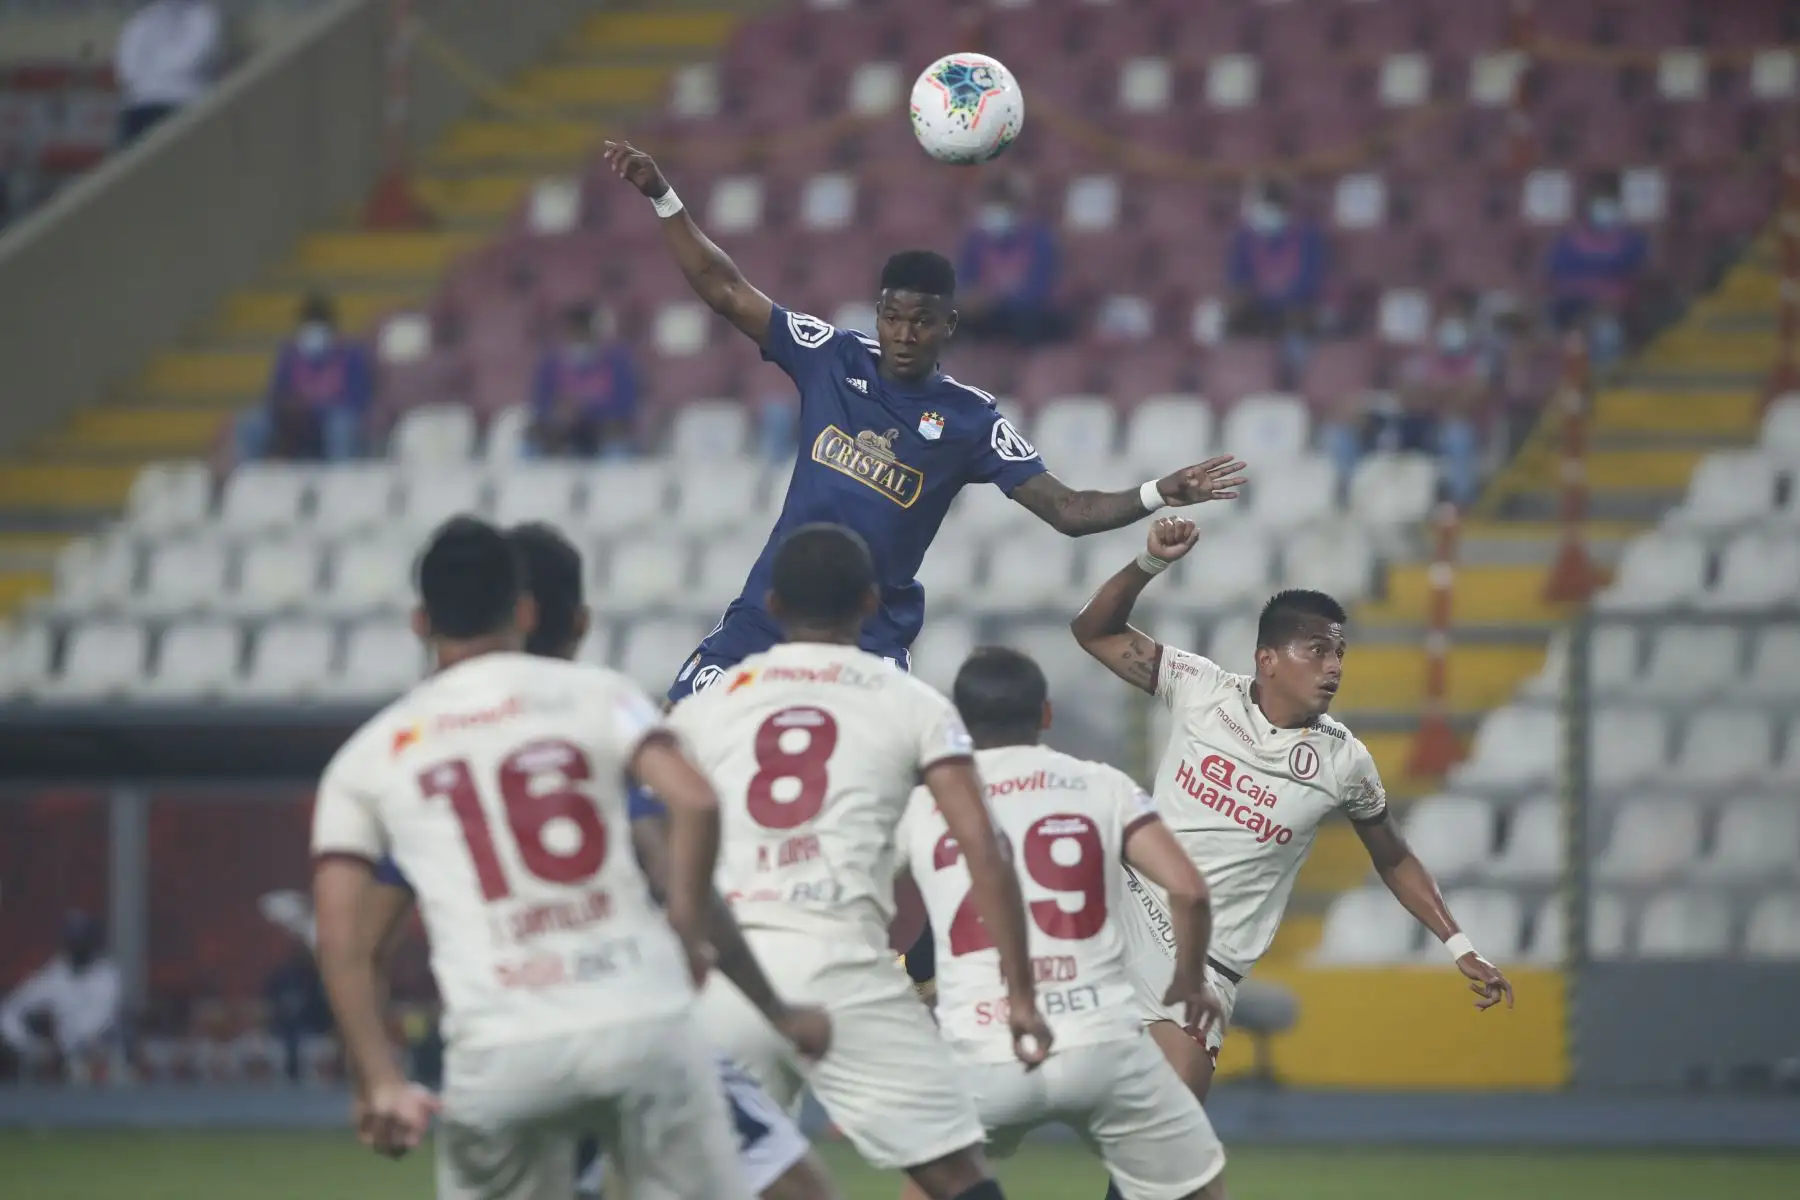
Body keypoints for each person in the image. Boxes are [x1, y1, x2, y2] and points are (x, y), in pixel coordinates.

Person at [601, 140, 1249, 705]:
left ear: (948, 326)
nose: (904, 333)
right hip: (768, 615)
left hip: (869, 641)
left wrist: (1158, 492)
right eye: (892, 316)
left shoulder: (971, 419)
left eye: (921, 320)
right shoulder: (830, 356)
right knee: (675, 737)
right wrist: (663, 196)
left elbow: (1068, 510)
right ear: (877, 314)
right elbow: (724, 288)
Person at [357, 521, 843, 1200]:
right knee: (795, 1189)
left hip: (505, 1047)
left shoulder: (415, 748)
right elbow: (680, 849)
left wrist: (375, 1075)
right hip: (631, 1018)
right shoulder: (593, 716)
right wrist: (768, 1002)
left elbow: (356, 942)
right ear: (570, 619)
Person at [1070, 518, 1515, 1125]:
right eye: (1317, 651)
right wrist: (1149, 563)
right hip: (1126, 912)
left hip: (1204, 967)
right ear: (1268, 659)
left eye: (1339, 653)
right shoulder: (1200, 688)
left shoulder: (1344, 761)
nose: (1333, 666)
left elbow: (1393, 856)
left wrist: (1460, 944)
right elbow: (1092, 630)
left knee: (1164, 1147)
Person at [665, 522, 1051, 1200]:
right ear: (870, 603)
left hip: (731, 974)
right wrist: (1018, 992)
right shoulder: (914, 704)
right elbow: (983, 849)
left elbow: (655, 837)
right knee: (956, 1177)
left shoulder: (706, 709)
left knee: (736, 1181)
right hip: (846, 966)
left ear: (774, 605)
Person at [894, 647, 1230, 1200]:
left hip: (987, 1044)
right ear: (1045, 715)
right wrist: (1190, 980)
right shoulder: (1101, 785)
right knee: (1199, 1184)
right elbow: (1189, 890)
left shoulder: (928, 804)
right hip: (1098, 1040)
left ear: (956, 723)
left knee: (934, 1184)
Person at [236, 294, 373, 465]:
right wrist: (288, 408)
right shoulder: (290, 355)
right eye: (308, 325)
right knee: (253, 422)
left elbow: (357, 401)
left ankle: (340, 481)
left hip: (331, 422)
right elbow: (275, 395)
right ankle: (250, 478)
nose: (312, 331)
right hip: (294, 422)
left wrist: (317, 411)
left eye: (319, 325)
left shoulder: (351, 355)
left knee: (341, 426)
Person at [0, 911, 121, 1082]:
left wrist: (61, 1042)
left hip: (96, 1060)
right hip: (53, 1065)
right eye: (74, 939)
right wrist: (30, 1046)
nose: (78, 945)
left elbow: (97, 1021)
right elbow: (10, 1010)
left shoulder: (106, 976)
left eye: (82, 939)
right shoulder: (54, 975)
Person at [1546, 177, 1647, 371]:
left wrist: (1607, 300)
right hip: (1572, 307)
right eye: (1600, 202)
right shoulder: (1569, 239)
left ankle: (1607, 373)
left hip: (1612, 309)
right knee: (1573, 338)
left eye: (1609, 202)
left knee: (1606, 331)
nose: (1605, 208)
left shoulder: (1631, 239)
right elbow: (1555, 273)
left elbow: (1633, 271)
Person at [1226, 180, 1326, 375]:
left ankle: (1295, 377)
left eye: (1269, 208)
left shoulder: (1308, 237)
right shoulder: (1244, 238)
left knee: (1299, 323)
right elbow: (1237, 278)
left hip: (1296, 310)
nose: (1264, 215)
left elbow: (1310, 283)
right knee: (1232, 321)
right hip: (1258, 310)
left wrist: (1279, 298)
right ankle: (1240, 374)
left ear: (1284, 208)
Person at [956, 174, 1069, 346]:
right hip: (985, 316)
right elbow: (965, 281)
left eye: (1002, 204)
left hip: (1025, 314)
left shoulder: (1039, 238)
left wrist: (995, 299)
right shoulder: (975, 240)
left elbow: (1040, 288)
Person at [530, 305, 641, 459]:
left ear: (593, 334)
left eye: (582, 333)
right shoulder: (550, 365)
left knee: (617, 442)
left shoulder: (617, 363)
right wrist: (557, 414)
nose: (577, 340)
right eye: (572, 334)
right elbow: (540, 405)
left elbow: (626, 406)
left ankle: (614, 480)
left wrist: (586, 410)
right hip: (562, 434)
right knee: (532, 440)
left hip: (604, 432)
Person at [115, 0, 222, 145]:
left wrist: (158, 76)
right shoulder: (145, 20)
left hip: (182, 101)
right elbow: (128, 66)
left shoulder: (204, 16)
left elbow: (194, 59)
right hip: (142, 103)